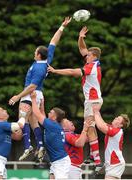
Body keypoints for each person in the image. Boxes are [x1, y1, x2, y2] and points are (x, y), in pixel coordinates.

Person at [9, 17, 72, 161]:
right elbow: (54, 41)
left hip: (31, 93)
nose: (34, 53)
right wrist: (62, 26)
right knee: (32, 120)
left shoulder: (39, 68)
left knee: (22, 119)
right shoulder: (46, 59)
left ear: (38, 54)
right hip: (38, 94)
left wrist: (17, 96)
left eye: (35, 51)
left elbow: (32, 86)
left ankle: (27, 146)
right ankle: (40, 144)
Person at [47, 26, 103, 171]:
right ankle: (94, 156)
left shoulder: (91, 67)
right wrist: (80, 37)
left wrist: (55, 71)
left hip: (93, 100)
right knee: (90, 127)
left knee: (89, 127)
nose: (86, 56)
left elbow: (73, 72)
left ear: (94, 57)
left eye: (89, 55)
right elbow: (83, 50)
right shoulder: (93, 62)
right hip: (92, 100)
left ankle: (97, 160)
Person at [30, 91, 71, 179]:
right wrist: (42, 104)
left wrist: (33, 99)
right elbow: (42, 114)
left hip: (61, 162)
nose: (49, 113)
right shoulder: (52, 125)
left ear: (55, 117)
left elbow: (37, 114)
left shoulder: (51, 125)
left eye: (51, 112)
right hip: (57, 161)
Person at [92, 103, 130, 179]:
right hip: (113, 163)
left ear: (121, 125)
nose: (116, 118)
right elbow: (102, 123)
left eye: (118, 119)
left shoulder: (117, 131)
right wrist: (96, 111)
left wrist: (95, 111)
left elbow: (100, 126)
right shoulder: (113, 128)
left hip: (115, 163)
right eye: (117, 117)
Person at [0, 107, 25, 179]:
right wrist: (23, 116)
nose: (6, 110)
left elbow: (18, 137)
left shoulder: (3, 127)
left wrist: (21, 123)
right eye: (3, 110)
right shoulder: (0, 125)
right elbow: (20, 125)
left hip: (1, 159)